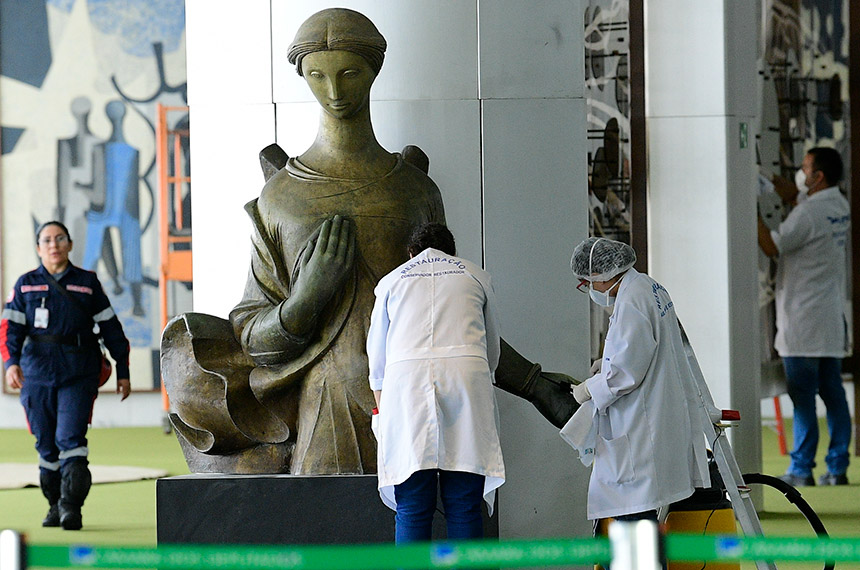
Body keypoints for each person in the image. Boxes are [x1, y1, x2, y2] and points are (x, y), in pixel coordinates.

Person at [366, 223, 504, 543]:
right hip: (467, 378)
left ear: (411, 253)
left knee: (413, 504)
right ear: (452, 252)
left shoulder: (392, 281)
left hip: (405, 385)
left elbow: (377, 361)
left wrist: (384, 415)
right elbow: (492, 348)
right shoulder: (474, 274)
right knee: (464, 503)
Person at [566, 237, 709, 526]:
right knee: (637, 516)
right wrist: (605, 363)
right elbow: (643, 349)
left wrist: (588, 389)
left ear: (602, 274)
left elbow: (626, 372)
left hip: (641, 426)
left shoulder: (632, 299)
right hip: (655, 417)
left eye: (588, 283)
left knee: (633, 516)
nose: (590, 290)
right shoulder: (647, 286)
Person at [2, 221, 131, 530]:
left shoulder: (87, 283)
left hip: (78, 373)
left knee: (70, 440)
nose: (53, 244)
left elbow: (112, 329)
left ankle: (72, 507)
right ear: (38, 248)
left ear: (70, 245)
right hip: (36, 376)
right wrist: (11, 364)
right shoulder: (25, 284)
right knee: (46, 445)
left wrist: (123, 370)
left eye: (60, 238)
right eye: (46, 240)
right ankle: (54, 505)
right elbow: (10, 330)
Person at [757, 147, 851, 486]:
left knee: (802, 397)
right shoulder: (838, 206)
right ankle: (837, 467)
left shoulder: (807, 215)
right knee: (833, 394)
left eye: (805, 167)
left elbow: (771, 246)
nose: (800, 171)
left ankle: (801, 468)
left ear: (818, 177)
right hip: (828, 319)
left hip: (801, 319)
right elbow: (794, 193)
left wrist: (745, 206)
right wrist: (767, 178)